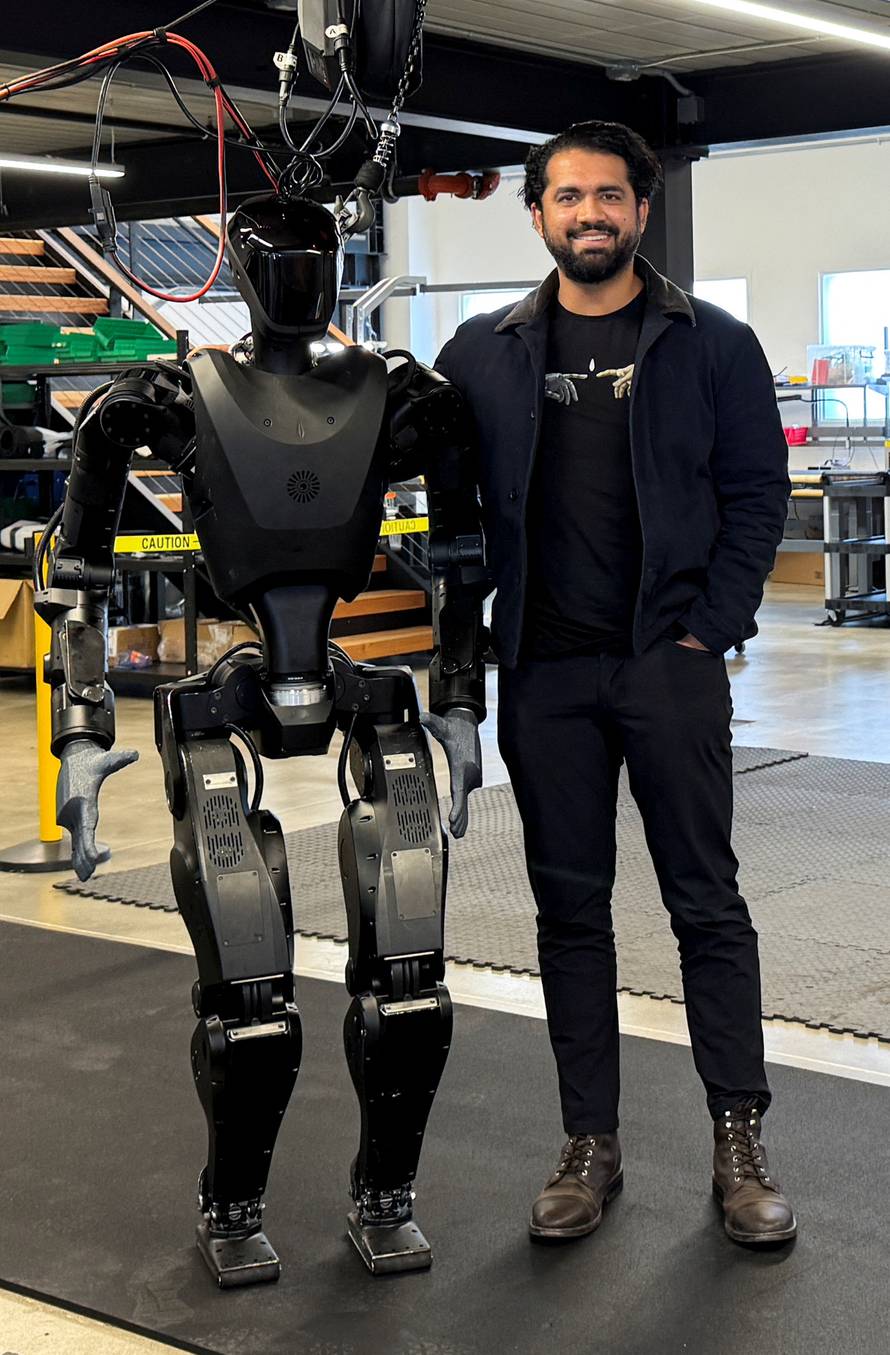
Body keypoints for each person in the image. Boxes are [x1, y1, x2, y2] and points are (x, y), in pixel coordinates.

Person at [434, 120, 795, 1249]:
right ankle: (589, 1142)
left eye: (607, 195)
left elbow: (758, 495)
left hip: (666, 667)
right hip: (544, 673)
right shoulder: (479, 353)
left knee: (705, 903)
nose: (588, 213)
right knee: (568, 912)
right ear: (536, 212)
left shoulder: (713, 344)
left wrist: (707, 632)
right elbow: (447, 514)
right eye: (567, 196)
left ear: (641, 208)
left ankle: (738, 1141)